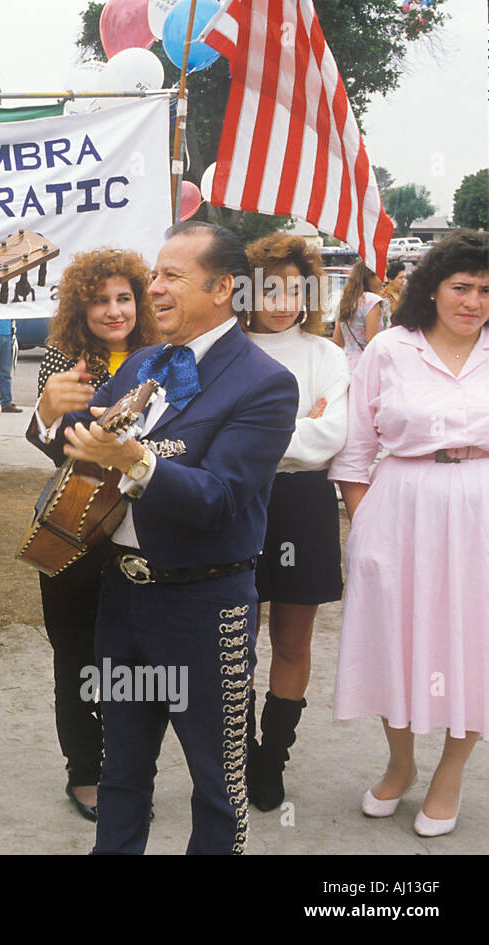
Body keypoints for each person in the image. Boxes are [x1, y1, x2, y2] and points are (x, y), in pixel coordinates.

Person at [53, 221, 298, 854]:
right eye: (154, 275)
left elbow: (219, 499)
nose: (152, 288)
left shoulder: (264, 382)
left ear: (222, 289)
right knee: (123, 775)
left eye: (170, 276)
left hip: (203, 608)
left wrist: (136, 458)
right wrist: (53, 412)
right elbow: (78, 438)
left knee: (218, 785)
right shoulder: (143, 362)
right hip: (124, 600)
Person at [329, 229, 488, 838]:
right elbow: (355, 450)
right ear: (434, 289)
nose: (473, 301)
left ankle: (450, 775)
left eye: (485, 291)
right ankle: (400, 763)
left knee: (472, 642)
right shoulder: (390, 348)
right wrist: (363, 521)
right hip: (397, 507)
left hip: (480, 510)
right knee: (395, 636)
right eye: (461, 286)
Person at [25, 247, 162, 822]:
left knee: (139, 659)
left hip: (146, 532)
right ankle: (84, 772)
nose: (114, 311)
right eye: (100, 300)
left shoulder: (164, 356)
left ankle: (129, 773)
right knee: (78, 655)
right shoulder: (63, 359)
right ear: (80, 307)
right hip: (76, 525)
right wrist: (46, 413)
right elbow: (54, 446)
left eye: (123, 298)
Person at [240, 234, 349, 811]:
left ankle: (271, 757)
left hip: (304, 504)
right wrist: (297, 426)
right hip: (239, 499)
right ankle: (235, 752)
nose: (283, 300)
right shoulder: (224, 350)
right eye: (270, 287)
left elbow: (333, 436)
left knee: (292, 639)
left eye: (295, 288)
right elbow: (223, 438)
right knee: (237, 638)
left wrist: (264, 433)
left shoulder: (327, 355)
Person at [332, 258, 390, 372]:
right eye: (381, 275)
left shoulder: (347, 301)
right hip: (367, 368)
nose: (386, 280)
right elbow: (372, 343)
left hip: (345, 366)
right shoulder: (372, 301)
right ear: (369, 277)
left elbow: (337, 340)